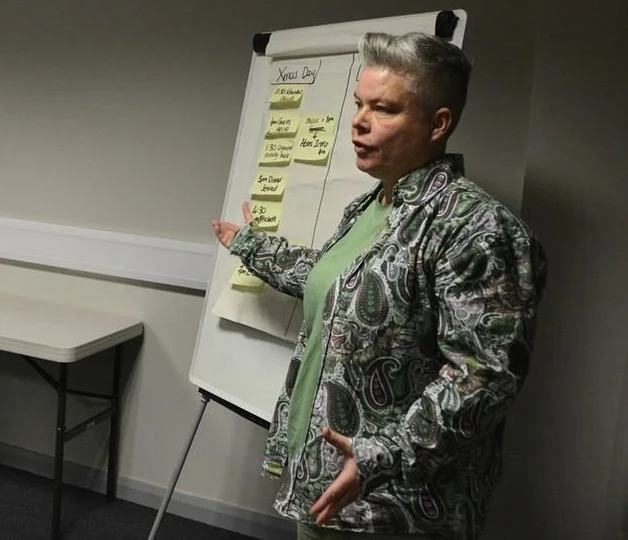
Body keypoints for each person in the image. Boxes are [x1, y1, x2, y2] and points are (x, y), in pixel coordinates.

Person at [212, 32, 546, 540]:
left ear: (439, 123)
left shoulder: (477, 228)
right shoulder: (370, 206)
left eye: (384, 109)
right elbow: (334, 283)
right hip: (324, 481)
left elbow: (484, 376)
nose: (359, 121)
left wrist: (379, 455)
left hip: (394, 506)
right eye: (359, 104)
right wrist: (252, 245)